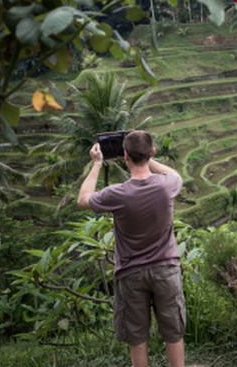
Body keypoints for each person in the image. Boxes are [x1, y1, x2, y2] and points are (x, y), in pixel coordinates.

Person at [77, 131, 186, 367]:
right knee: (173, 332)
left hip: (130, 273)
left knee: (137, 338)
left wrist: (97, 164)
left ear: (125, 156)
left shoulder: (116, 193)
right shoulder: (166, 186)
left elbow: (83, 199)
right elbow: (174, 174)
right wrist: (147, 155)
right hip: (166, 270)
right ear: (152, 153)